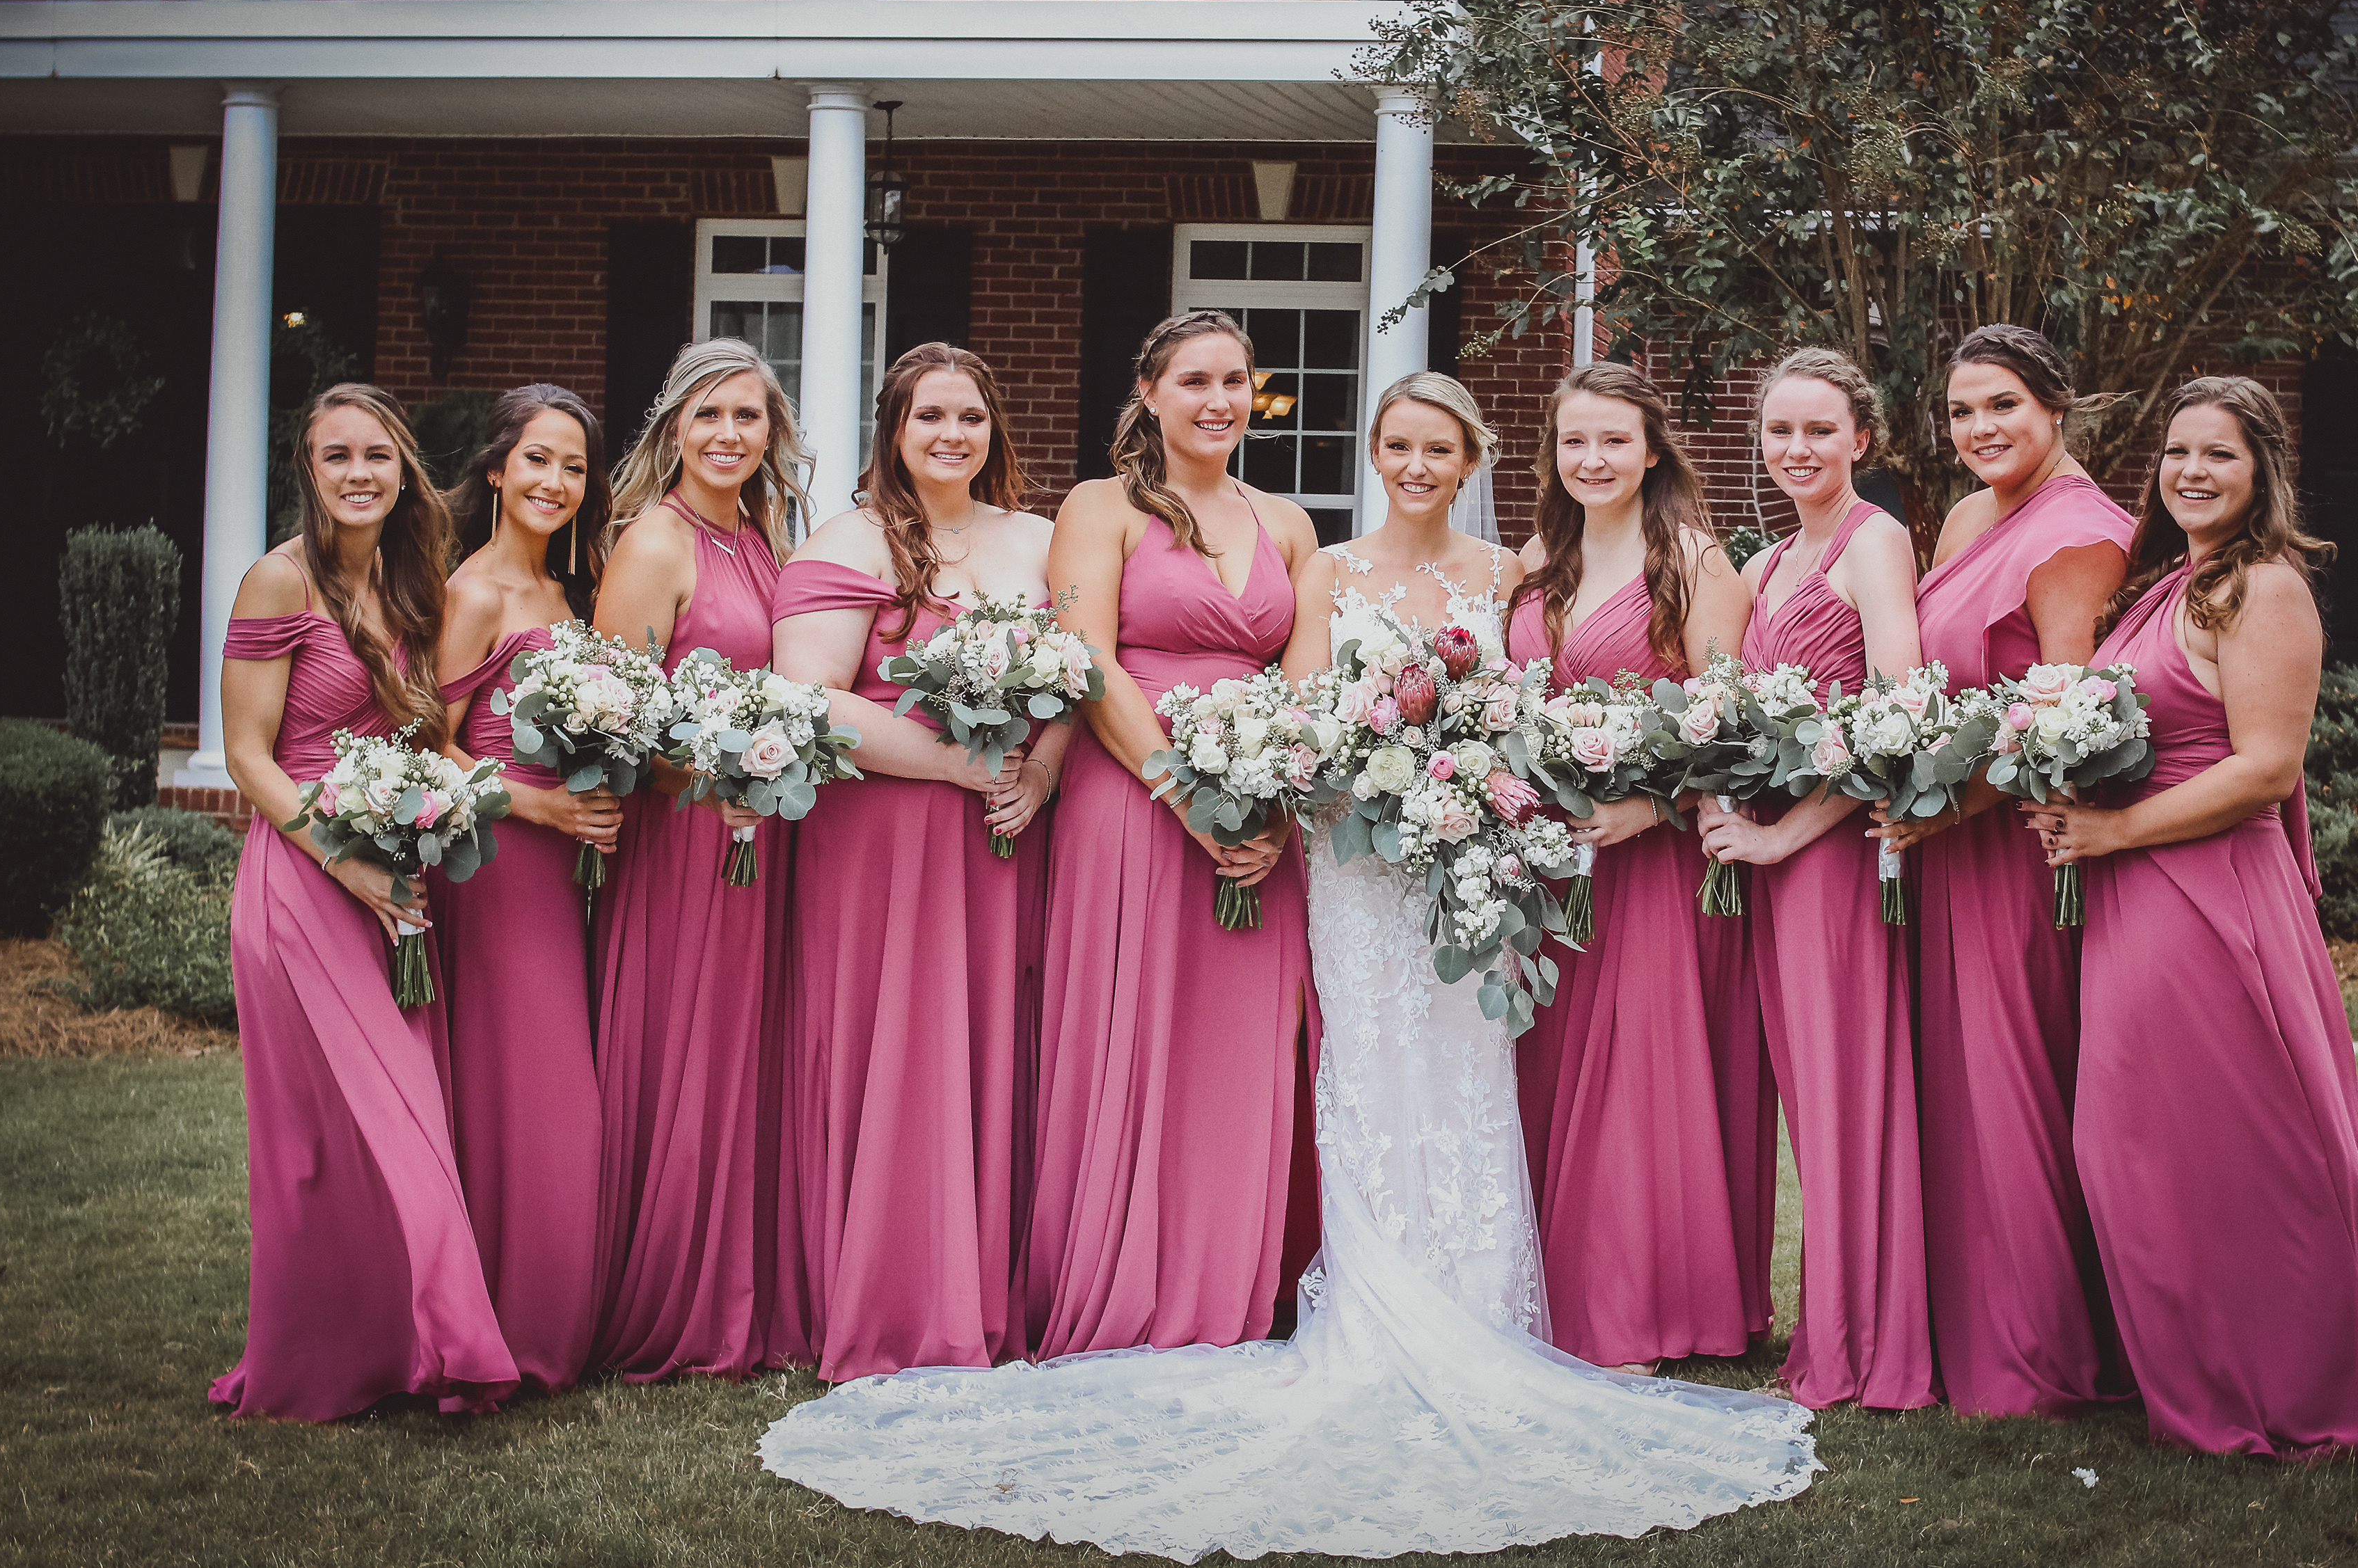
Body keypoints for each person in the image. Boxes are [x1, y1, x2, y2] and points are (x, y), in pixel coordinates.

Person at [757, 372, 1821, 1558]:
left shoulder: (1512, 575)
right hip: (1355, 864)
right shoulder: (1328, 567)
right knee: (1361, 1066)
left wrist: (1478, 779)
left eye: (1439, 449)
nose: (1415, 466)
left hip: (1469, 848)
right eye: (1397, 445)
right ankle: (1364, 1298)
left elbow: (1528, 703)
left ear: (1472, 459)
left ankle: (1488, 1303)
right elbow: (1305, 707)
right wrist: (1324, 781)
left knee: (1475, 1073)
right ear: (1374, 452)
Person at [2034, 377, 2358, 1459]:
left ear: (2263, 474)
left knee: (2233, 1142)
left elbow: (2265, 768)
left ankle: (2293, 1383)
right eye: (2178, 452)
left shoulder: (2265, 589)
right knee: (2141, 1144)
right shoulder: (2171, 585)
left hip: (2209, 896)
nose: (2192, 471)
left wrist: (2114, 829)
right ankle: (2198, 1366)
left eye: (2220, 455)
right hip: (2135, 892)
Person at [1013, 310, 1322, 1359]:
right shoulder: (1098, 508)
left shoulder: (1288, 525)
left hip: (1260, 820)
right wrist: (1188, 798)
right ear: (1149, 392)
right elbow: (1088, 660)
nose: (1219, 400)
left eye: (1236, 381)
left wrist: (1274, 807)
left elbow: (1306, 685)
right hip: (1133, 804)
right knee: (1130, 1037)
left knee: (1241, 1056)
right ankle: (1121, 1287)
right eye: (1194, 380)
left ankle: (1228, 1290)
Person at [211, 383, 517, 1420]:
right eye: (336, 455)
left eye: (376, 455)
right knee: (327, 1136)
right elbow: (247, 757)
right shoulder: (276, 581)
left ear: (403, 470)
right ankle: (371, 1354)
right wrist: (346, 864)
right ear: (307, 470)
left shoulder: (414, 578)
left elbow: (431, 729)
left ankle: (399, 1348)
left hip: (396, 870)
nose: (358, 474)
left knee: (395, 1116)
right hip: (306, 878)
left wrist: (447, 810)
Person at [770, 344, 1066, 1379]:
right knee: (897, 1039)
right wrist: (953, 764)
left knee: (991, 1037)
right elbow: (808, 696)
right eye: (929, 416)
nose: (952, 435)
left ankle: (983, 1282)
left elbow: (1085, 670)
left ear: (995, 429)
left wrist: (1039, 773)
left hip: (1007, 832)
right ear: (893, 430)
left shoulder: (1040, 539)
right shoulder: (851, 540)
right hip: (886, 835)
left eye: (970, 417)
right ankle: (894, 1290)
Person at [1875, 323, 2136, 1416]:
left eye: (2002, 406)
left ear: (2055, 409)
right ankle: (1965, 1326)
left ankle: (2042, 1348)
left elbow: (2063, 722)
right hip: (1948, 840)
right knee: (1957, 1086)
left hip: (2021, 846)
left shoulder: (2079, 535)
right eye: (1961, 411)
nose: (1979, 428)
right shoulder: (1970, 516)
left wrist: (1948, 806)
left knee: (2017, 1078)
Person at [1506, 362, 1769, 1373]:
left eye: (1614, 439)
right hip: (1549, 859)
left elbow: (1731, 722)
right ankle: (1549, 1291)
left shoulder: (1694, 562)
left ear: (1653, 450)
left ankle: (1633, 1307)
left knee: (1635, 1078)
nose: (1593, 459)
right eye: (1575, 440)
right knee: (1550, 1064)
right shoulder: (1539, 558)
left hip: (1649, 861)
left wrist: (1647, 805)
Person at [1699, 348, 1933, 1410]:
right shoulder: (1764, 566)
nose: (1797, 449)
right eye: (1780, 431)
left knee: (1842, 1097)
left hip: (1834, 860)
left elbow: (1897, 713)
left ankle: (1863, 1344)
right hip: (1769, 863)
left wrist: (1787, 837)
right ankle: (1815, 1320)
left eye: (1819, 431)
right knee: (1797, 1088)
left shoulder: (1875, 541)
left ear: (1861, 440)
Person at [588, 338, 809, 1380]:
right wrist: (709, 774)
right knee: (687, 1048)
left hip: (762, 835)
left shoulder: (763, 538)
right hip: (685, 843)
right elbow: (613, 725)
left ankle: (741, 1288)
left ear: (772, 432)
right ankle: (666, 1293)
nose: (728, 435)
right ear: (674, 426)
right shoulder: (654, 544)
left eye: (748, 416)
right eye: (709, 415)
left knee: (747, 1053)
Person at [430, 384, 617, 1396]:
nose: (556, 481)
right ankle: (505, 1332)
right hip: (496, 863)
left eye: (574, 466)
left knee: (545, 1091)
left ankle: (538, 1316)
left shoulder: (566, 592)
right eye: (538, 460)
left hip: (562, 865)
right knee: (533, 1092)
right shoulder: (473, 594)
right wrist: (543, 809)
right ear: (497, 470)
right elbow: (430, 747)